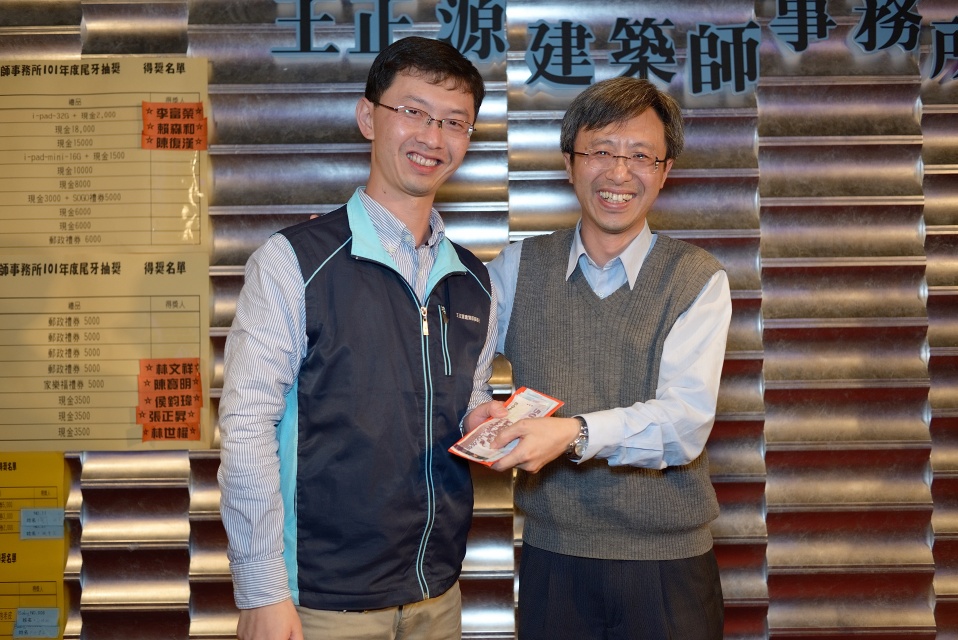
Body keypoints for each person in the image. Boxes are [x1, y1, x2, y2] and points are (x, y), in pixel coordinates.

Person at [217, 36, 505, 640]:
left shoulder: (475, 280)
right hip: (321, 603)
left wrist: (481, 417)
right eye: (414, 111)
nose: (433, 136)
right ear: (368, 117)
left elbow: (464, 397)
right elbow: (246, 428)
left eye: (454, 121)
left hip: (437, 595)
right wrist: (263, 590)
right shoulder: (294, 262)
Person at [485, 76, 732, 639]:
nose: (619, 173)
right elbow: (448, 360)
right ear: (569, 163)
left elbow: (684, 422)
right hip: (554, 559)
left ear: (665, 171)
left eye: (641, 155)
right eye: (601, 151)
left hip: (669, 566)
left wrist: (573, 433)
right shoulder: (518, 268)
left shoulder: (697, 279)